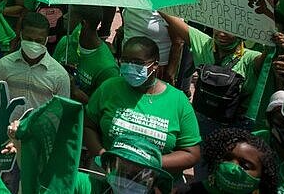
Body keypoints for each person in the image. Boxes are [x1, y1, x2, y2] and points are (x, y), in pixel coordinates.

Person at [85, 36, 201, 174]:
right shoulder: (109, 88)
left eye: (137, 62)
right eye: (125, 60)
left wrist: (150, 163)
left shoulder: (178, 101)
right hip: (109, 173)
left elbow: (191, 153)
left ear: (155, 64)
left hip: (153, 181)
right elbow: (88, 126)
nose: (130, 66)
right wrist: (103, 155)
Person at [160, 12, 264, 135]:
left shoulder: (251, 59)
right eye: (218, 26)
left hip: (234, 128)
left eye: (229, 29)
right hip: (201, 121)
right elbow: (173, 19)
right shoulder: (204, 44)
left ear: (242, 33)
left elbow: (269, 59)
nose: (221, 33)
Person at [0, 12, 70, 117]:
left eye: (39, 41)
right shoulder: (4, 65)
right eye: (29, 39)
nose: (33, 44)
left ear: (46, 40)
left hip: (40, 131)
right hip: (8, 129)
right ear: (21, 35)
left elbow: (61, 112)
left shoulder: (60, 75)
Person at [176, 127, 279, 194]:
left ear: (262, 176)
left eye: (245, 166)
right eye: (227, 158)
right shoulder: (188, 192)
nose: (232, 168)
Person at [52, 5, 119, 104]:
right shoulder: (65, 42)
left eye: (71, 15)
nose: (65, 16)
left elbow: (103, 107)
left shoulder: (108, 68)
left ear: (83, 23)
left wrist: (75, 92)